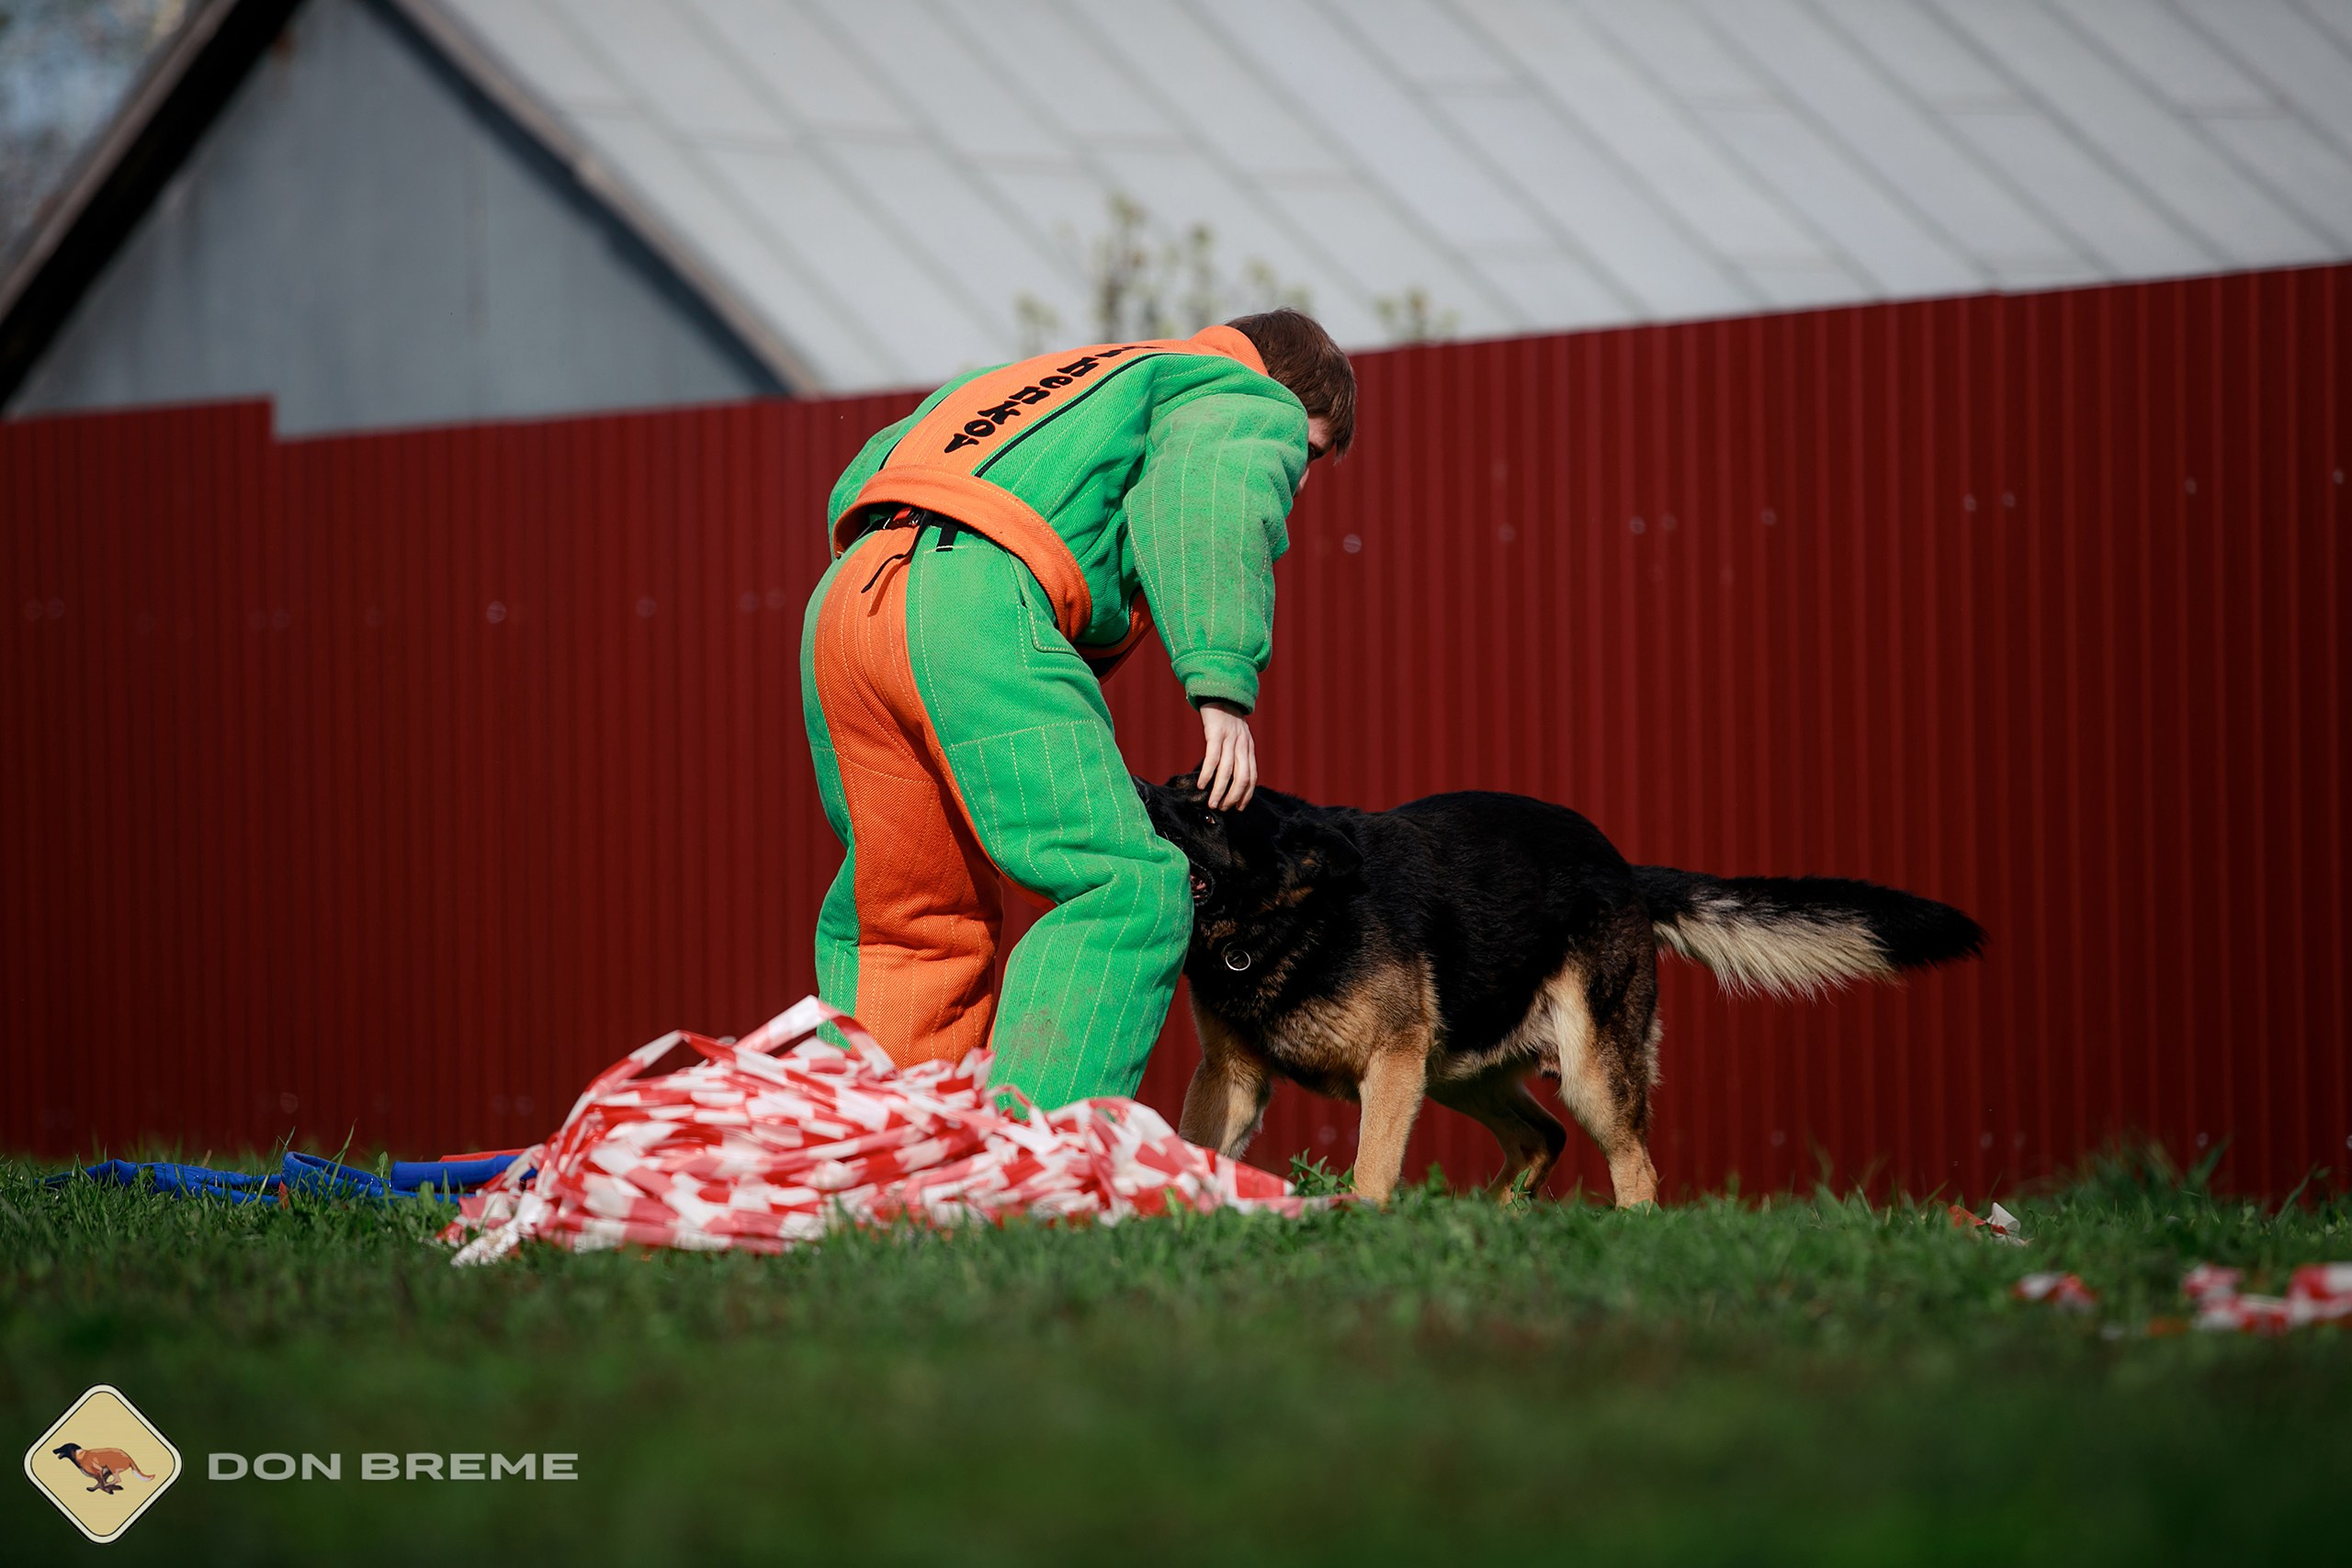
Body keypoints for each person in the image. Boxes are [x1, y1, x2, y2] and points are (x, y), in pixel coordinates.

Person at [801, 309, 1355, 1109]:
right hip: (971, 599)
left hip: (849, 602)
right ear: (1279, 388)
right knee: (1124, 884)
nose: (1297, 481)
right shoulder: (1233, 386)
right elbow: (1209, 492)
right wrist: (1222, 680)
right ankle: (1035, 1170)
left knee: (907, 921)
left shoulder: (1049, 378)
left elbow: (864, 474)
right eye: (1306, 451)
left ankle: (865, 1172)